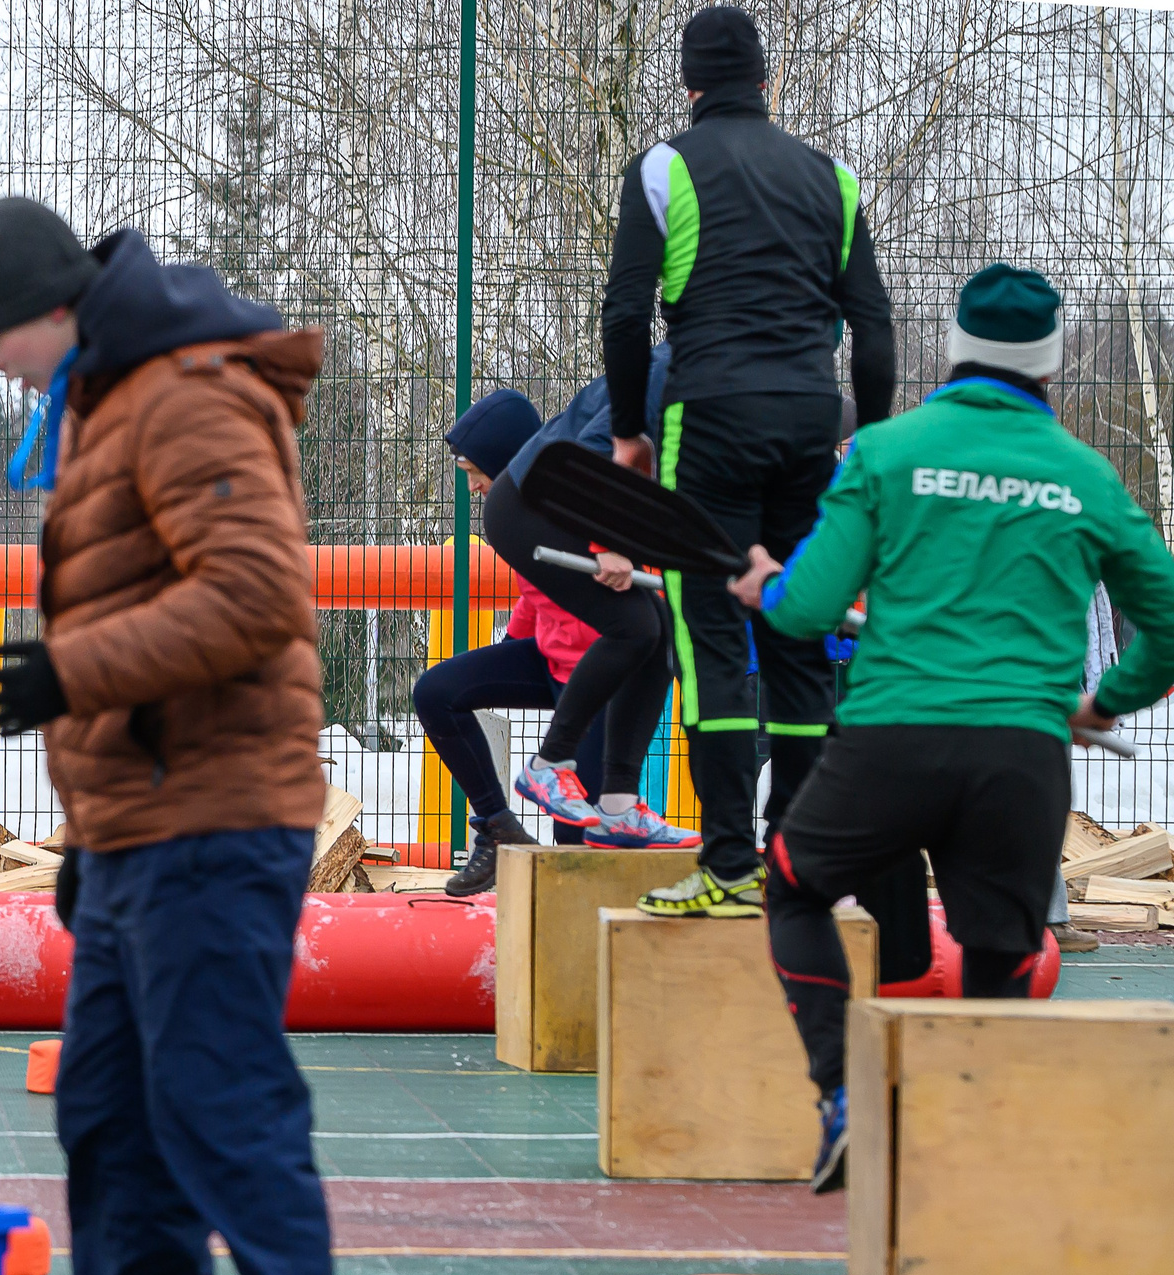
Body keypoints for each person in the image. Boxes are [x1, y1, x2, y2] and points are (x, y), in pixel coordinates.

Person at [0, 196, 373, 1275]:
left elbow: (252, 594)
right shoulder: (113, 399)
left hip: (219, 818)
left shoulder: (186, 396)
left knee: (221, 1101)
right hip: (142, 825)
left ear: (47, 311)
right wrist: (94, 831)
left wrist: (65, 671)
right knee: (113, 1113)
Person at [730, 265, 1174, 1189]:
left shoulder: (888, 452)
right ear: (1052, 362)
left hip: (892, 738)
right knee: (1003, 948)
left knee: (797, 890)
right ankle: (972, 1151)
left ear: (958, 347)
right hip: (1021, 754)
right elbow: (1167, 620)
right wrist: (1105, 703)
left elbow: (807, 611)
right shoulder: (1086, 475)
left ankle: (843, 1098)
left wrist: (764, 582)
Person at [601, 5, 896, 919]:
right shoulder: (834, 179)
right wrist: (865, 437)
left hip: (713, 417)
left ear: (688, 83)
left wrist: (626, 433)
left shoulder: (663, 167)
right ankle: (803, 870)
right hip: (812, 421)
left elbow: (624, 315)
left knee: (711, 637)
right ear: (765, 79)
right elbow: (874, 327)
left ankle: (730, 867)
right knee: (800, 631)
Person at [430, 363, 696, 895]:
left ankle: (585, 932)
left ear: (503, 461)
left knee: (576, 834)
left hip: (599, 682)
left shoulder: (582, 504)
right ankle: (496, 827)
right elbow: (535, 599)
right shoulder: (527, 527)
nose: (474, 487)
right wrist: (508, 649)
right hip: (551, 663)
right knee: (437, 692)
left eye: (472, 473)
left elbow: (652, 591)